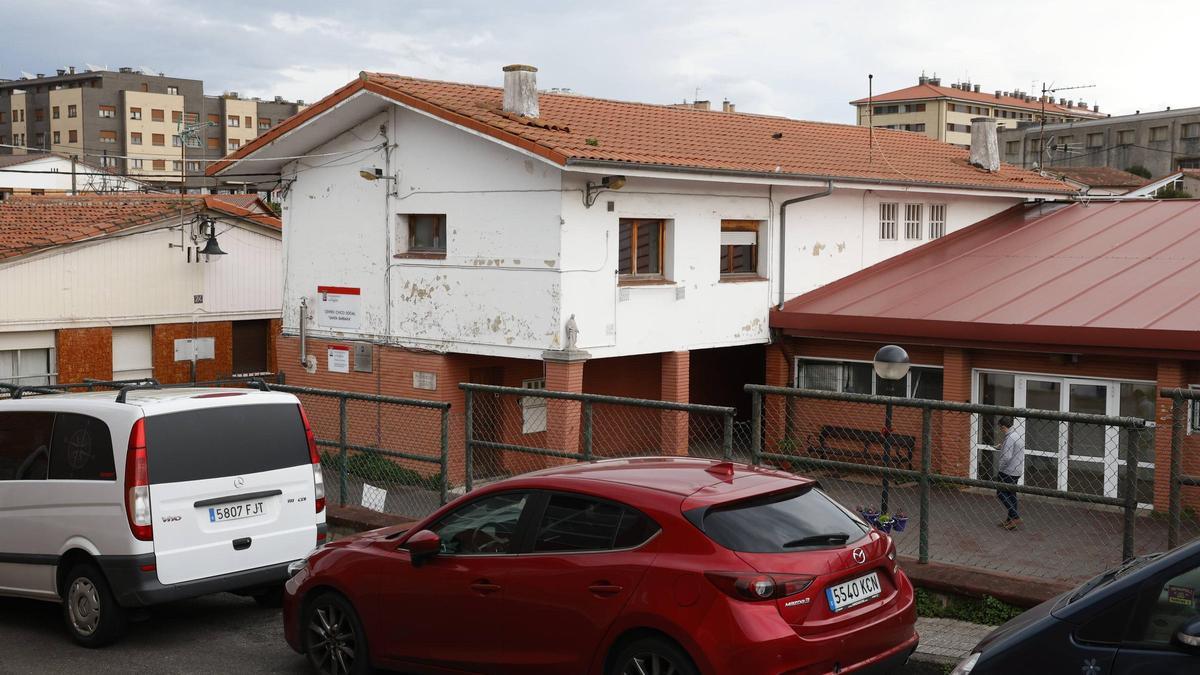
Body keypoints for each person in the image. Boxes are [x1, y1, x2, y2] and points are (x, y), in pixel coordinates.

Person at [994, 416, 1025, 530]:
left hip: (1008, 471)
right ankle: (1010, 520)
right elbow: (1013, 450)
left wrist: (1001, 467)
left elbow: (1007, 457)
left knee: (1000, 493)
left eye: (1000, 428)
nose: (1000, 430)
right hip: (1016, 470)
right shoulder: (1016, 435)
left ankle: (1015, 517)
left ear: (1003, 427)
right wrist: (1002, 447)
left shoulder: (1010, 438)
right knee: (1011, 494)